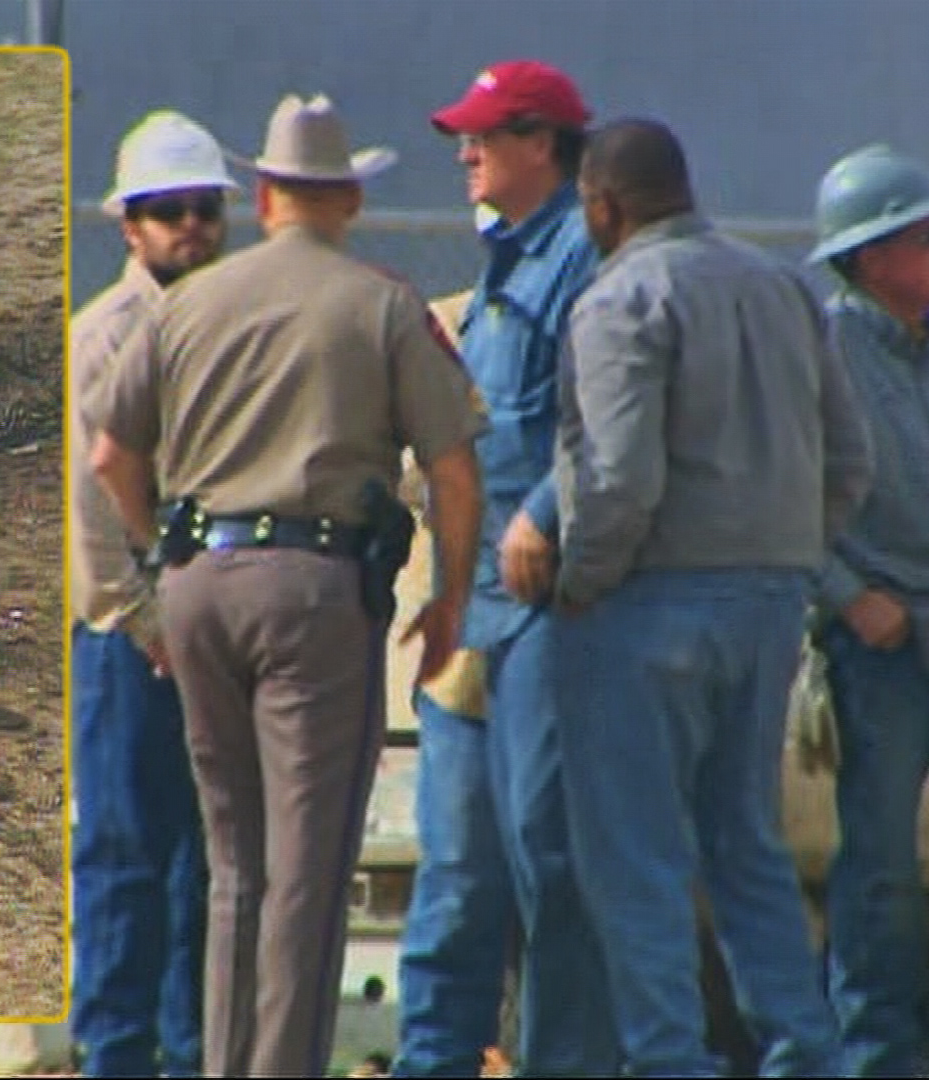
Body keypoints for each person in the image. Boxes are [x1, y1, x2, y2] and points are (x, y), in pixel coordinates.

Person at [87, 92, 486, 1078]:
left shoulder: (184, 303)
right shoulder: (381, 303)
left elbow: (108, 452)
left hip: (199, 586)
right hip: (313, 593)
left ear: (263, 196)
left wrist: (163, 550)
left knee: (231, 870)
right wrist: (451, 603)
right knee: (305, 874)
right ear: (346, 197)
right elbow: (452, 471)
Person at [550, 117, 872, 1077]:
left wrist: (579, 584)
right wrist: (787, 555)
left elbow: (616, 481)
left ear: (602, 206)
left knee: (639, 864)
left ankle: (672, 1063)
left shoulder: (619, 301)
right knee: (751, 854)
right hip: (769, 604)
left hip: (647, 604)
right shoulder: (783, 288)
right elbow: (849, 461)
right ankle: (805, 1056)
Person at [394, 60, 619, 1078]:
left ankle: (562, 1060)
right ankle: (433, 1061)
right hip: (474, 606)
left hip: (548, 608)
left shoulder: (587, 256)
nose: (464, 152)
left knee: (551, 862)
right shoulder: (502, 263)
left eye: (485, 134)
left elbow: (609, 416)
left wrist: (541, 514)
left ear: (544, 144)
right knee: (455, 869)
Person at [69, 108, 239, 1079]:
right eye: (168, 212)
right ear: (128, 226)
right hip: (133, 646)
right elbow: (94, 508)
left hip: (215, 633)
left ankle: (192, 1054)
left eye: (204, 210)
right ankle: (118, 1056)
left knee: (205, 868)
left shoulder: (229, 327)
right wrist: (143, 619)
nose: (191, 228)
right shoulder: (104, 337)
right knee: (129, 860)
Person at [805, 142, 929, 1078]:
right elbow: (781, 501)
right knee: (880, 871)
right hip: (881, 643)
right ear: (872, 256)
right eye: (920, 237)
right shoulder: (824, 353)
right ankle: (874, 1060)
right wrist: (850, 601)